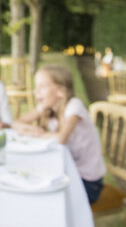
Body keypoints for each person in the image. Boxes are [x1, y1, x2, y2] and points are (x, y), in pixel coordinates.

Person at [12, 65, 106, 203]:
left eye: (42, 86)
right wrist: (31, 130)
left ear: (61, 91)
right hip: (69, 172)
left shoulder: (74, 106)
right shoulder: (47, 107)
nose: (35, 91)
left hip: (89, 182)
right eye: (35, 86)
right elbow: (16, 123)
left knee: (46, 199)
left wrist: (37, 133)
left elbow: (62, 138)